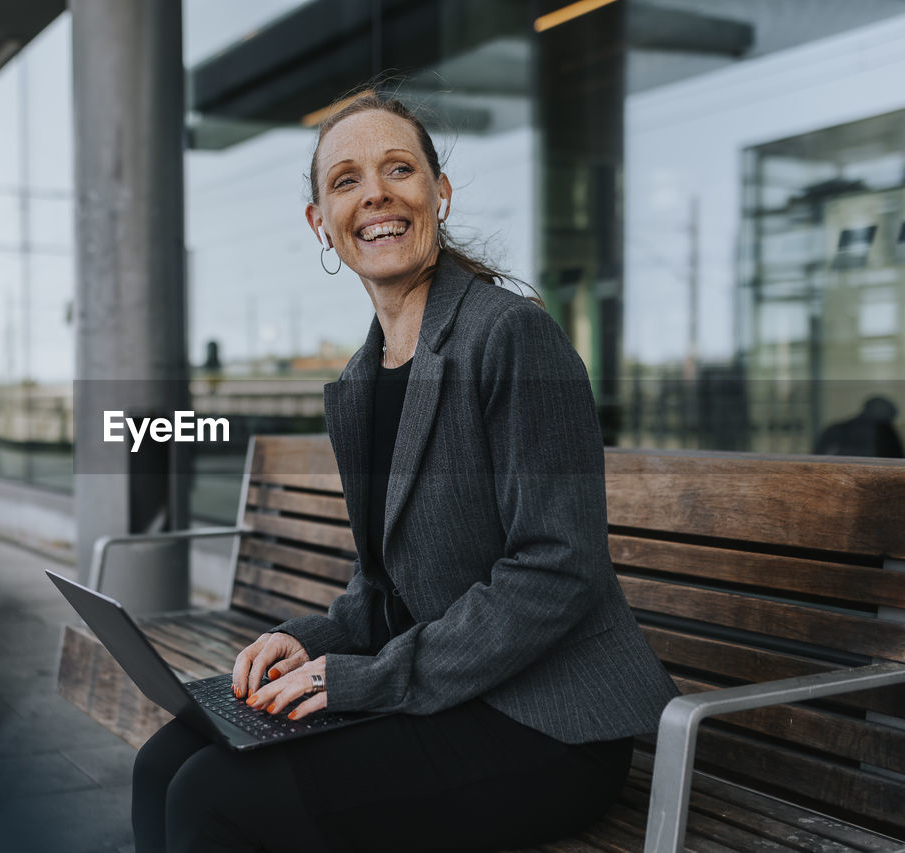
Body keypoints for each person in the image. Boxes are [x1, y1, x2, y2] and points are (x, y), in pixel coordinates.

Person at [131, 90, 679, 853]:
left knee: (216, 798)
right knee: (163, 762)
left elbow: (558, 570)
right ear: (321, 222)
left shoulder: (512, 335)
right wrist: (306, 641)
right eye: (346, 180)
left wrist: (358, 681)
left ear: (439, 193)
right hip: (454, 689)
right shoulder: (364, 377)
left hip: (549, 724)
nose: (376, 194)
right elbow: (383, 590)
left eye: (399, 168)